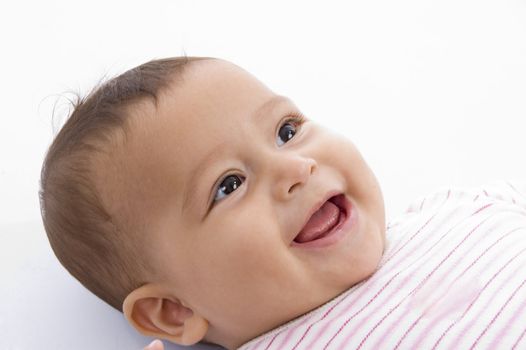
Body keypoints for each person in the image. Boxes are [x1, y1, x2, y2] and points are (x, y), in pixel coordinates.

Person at [40, 56, 526, 350]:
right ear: (174, 310)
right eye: (228, 185)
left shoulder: (456, 210)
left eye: (286, 131)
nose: (296, 170)